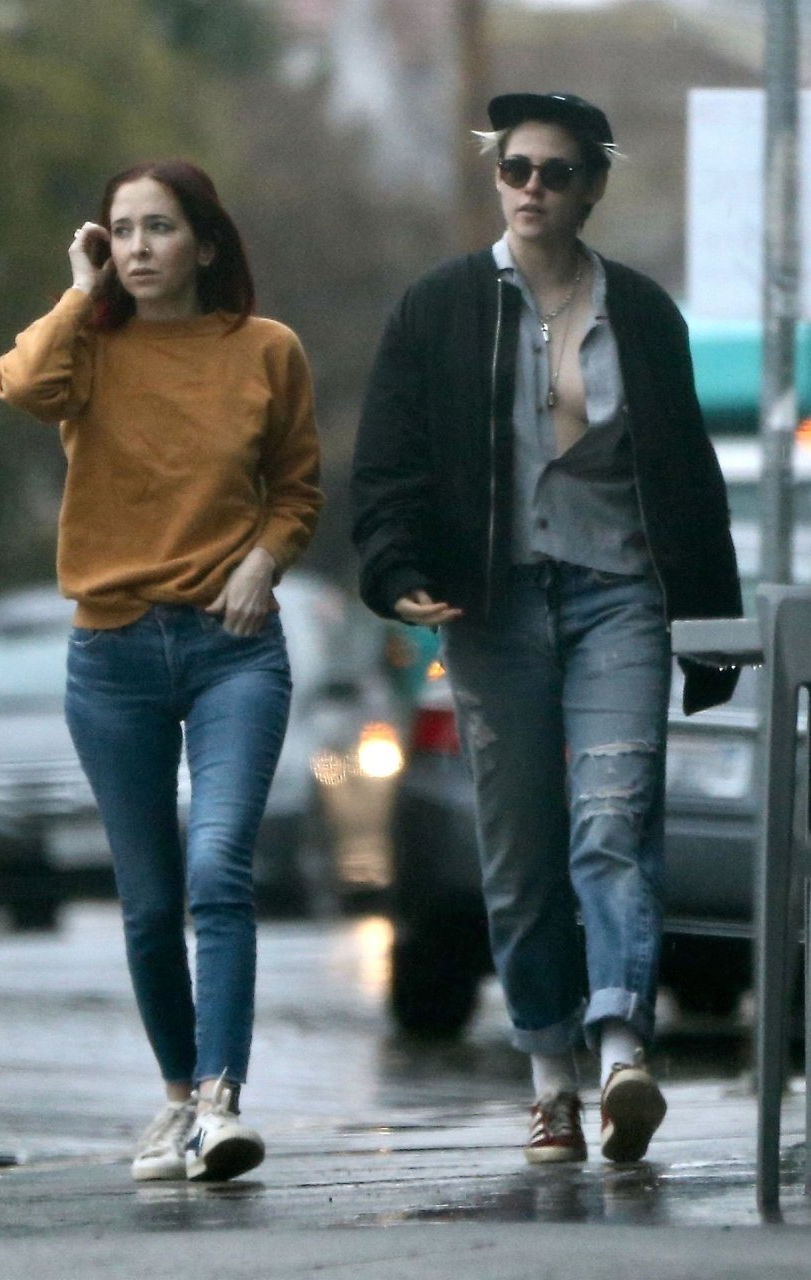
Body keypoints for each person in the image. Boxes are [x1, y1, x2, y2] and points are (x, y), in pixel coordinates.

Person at [352, 93, 741, 1164]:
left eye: (555, 172)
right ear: (497, 178)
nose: (531, 188)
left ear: (592, 187)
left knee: (612, 820)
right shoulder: (438, 306)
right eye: (514, 168)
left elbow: (688, 473)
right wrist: (395, 569)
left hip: (619, 595)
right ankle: (549, 1080)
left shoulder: (642, 313)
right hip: (492, 604)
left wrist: (708, 617)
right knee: (520, 852)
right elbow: (387, 464)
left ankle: (619, 1052)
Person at [0, 160, 323, 1182]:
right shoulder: (87, 348)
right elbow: (20, 386)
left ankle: (220, 1103)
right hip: (112, 656)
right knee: (146, 901)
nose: (138, 246)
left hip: (233, 649)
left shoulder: (266, 350)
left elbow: (297, 489)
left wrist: (264, 562)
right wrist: (78, 290)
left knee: (218, 868)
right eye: (122, 229)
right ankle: (176, 1098)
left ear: (205, 245)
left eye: (159, 228)